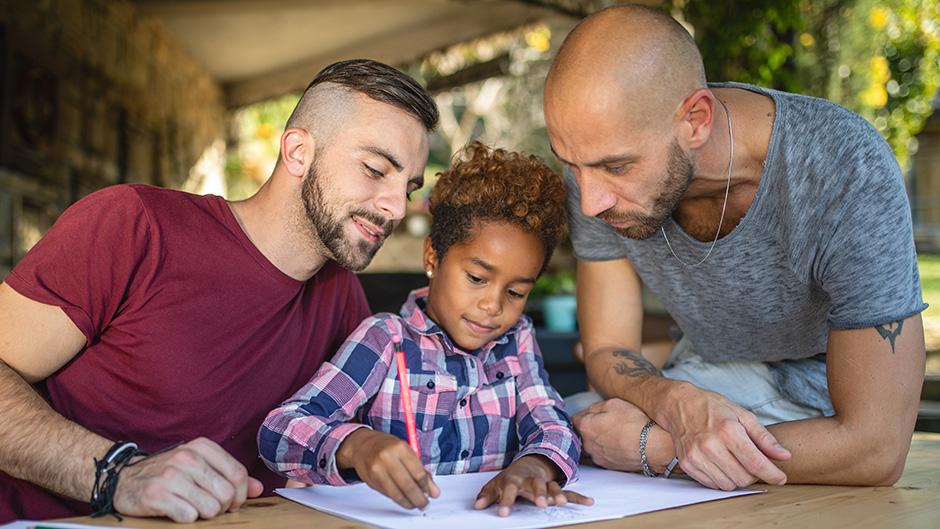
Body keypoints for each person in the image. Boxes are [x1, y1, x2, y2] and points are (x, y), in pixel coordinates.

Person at [0, 59, 438, 522]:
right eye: (374, 169)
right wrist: (119, 474)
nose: (394, 207)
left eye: (407, 187)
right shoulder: (133, 224)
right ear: (297, 153)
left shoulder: (342, 297)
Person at [543, 5, 927, 490]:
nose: (591, 200)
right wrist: (675, 403)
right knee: (556, 424)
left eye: (616, 167)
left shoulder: (842, 168)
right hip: (700, 381)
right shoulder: (592, 169)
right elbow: (607, 349)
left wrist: (658, 448)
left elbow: (876, 448)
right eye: (572, 165)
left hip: (815, 413)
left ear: (696, 120)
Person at [259, 142, 592, 517]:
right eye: (477, 278)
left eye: (516, 292)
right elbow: (280, 430)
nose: (494, 306)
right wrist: (358, 445)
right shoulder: (385, 339)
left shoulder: (517, 341)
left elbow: (552, 421)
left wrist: (537, 465)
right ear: (433, 257)